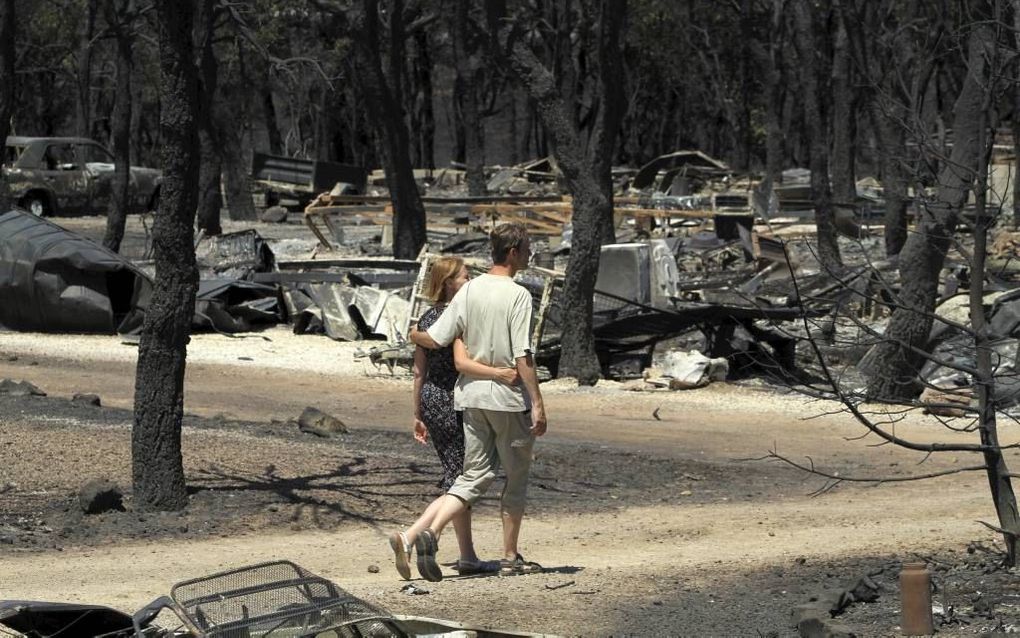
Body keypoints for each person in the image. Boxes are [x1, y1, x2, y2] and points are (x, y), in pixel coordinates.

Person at [400, 222, 547, 582]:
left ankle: (431, 533)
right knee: (515, 479)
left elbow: (436, 337)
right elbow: (522, 355)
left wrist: (413, 333)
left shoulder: (470, 291)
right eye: (527, 249)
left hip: (470, 397)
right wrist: (538, 402)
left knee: (473, 475)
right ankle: (510, 556)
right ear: (513, 253)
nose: (530, 255)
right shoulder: (518, 295)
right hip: (507, 398)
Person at [389, 256, 520, 580]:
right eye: (464, 276)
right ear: (448, 282)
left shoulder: (426, 317)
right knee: (464, 480)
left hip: (432, 399)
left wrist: (418, 411)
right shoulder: (459, 315)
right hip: (456, 401)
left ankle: (468, 556)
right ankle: (412, 536)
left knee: (457, 476)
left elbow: (419, 371)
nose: (469, 280)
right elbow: (462, 360)